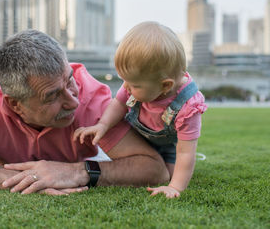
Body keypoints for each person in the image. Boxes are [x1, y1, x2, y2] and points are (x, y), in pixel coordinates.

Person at [0, 29, 170, 196]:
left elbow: (155, 170)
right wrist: (19, 178)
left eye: (69, 80)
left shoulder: (93, 101)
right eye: (52, 95)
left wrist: (79, 172)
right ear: (15, 104)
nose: (72, 102)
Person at [73, 22, 207, 198]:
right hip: (134, 136)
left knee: (171, 174)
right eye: (124, 80)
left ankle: (166, 165)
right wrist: (103, 125)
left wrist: (175, 187)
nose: (126, 87)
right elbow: (118, 104)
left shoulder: (188, 107)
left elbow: (185, 151)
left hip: (166, 146)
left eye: (134, 84)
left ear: (165, 85)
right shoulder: (137, 83)